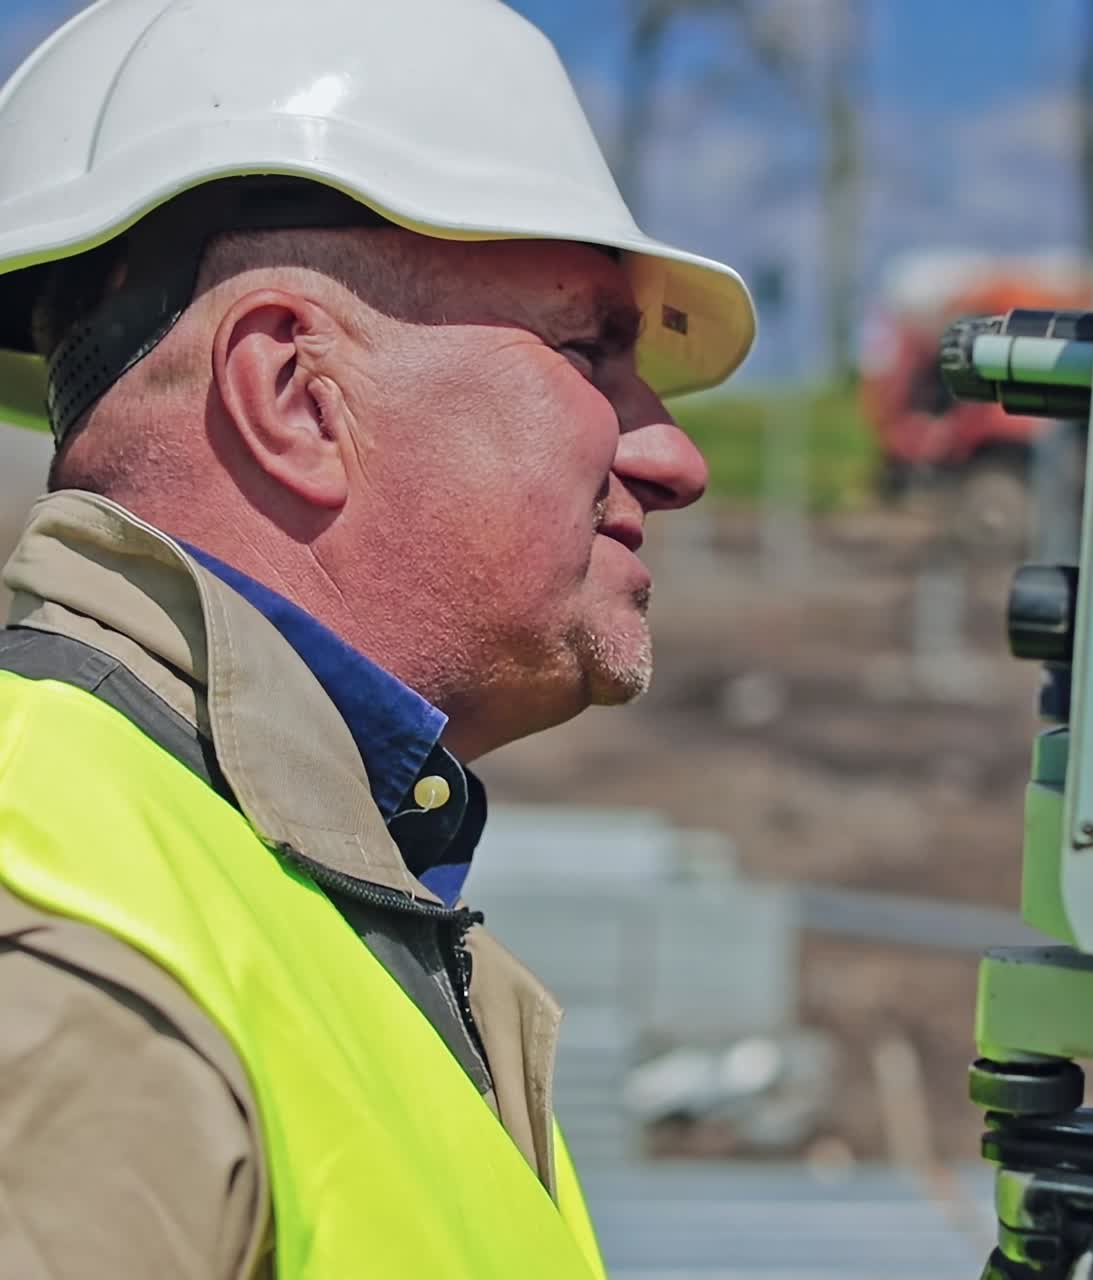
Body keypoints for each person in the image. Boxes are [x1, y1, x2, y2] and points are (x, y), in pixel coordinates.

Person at [0, 0, 755, 1276]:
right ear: (297, 396)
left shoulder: (296, 878)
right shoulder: (68, 947)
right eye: (587, 349)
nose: (671, 455)